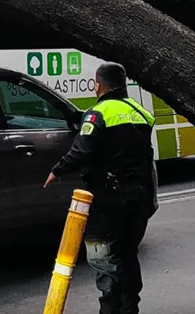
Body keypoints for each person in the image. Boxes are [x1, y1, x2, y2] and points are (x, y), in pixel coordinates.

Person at [44, 62, 158, 314]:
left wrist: (57, 170)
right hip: (137, 197)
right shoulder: (140, 112)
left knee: (102, 255)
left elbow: (81, 151)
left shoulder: (98, 114)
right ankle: (130, 308)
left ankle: (110, 308)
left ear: (98, 85)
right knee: (128, 254)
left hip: (108, 199)